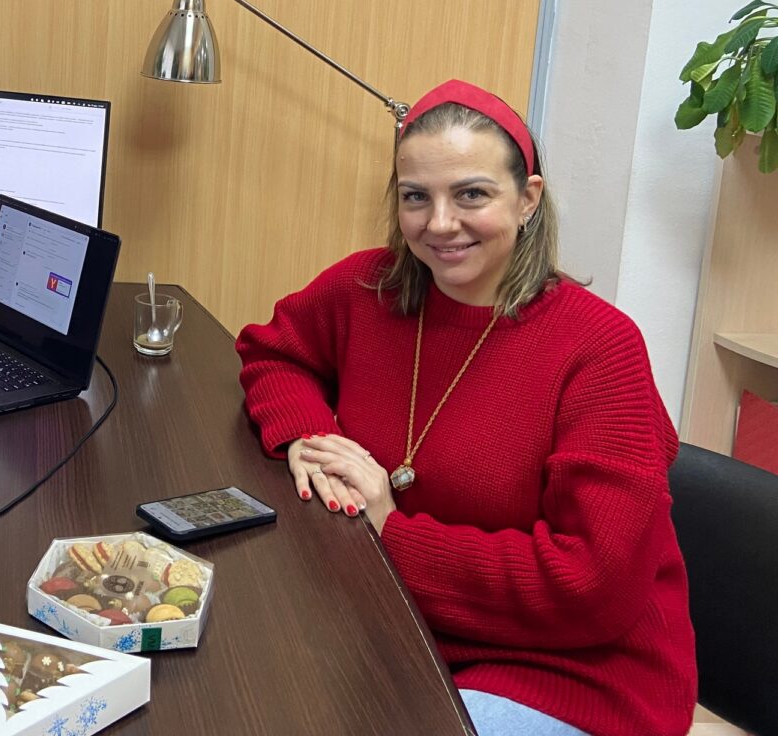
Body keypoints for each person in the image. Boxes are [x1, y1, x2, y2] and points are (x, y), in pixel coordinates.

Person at [236, 79, 696, 736]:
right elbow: (274, 353)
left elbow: (594, 585)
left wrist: (393, 531)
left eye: (471, 194)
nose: (440, 224)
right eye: (415, 197)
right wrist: (309, 439)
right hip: (395, 623)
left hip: (565, 670)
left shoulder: (600, 348)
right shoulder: (366, 288)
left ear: (528, 198)